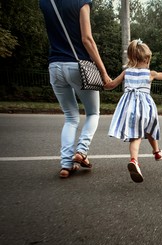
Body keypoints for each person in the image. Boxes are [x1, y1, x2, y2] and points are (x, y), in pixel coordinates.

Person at [40, 0, 111, 178]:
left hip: (55, 66)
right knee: (93, 113)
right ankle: (81, 150)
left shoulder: (45, 2)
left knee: (70, 117)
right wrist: (103, 72)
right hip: (77, 65)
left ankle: (66, 164)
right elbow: (87, 39)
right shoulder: (81, 1)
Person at [104, 39, 162, 183]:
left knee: (136, 135)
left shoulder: (126, 72)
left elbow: (111, 84)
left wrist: (103, 82)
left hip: (129, 108)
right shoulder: (150, 73)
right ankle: (153, 153)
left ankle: (139, 158)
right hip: (146, 108)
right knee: (150, 128)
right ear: (147, 59)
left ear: (131, 58)